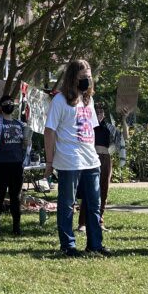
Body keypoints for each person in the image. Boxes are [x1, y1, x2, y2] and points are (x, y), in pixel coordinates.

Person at [45, 59, 108, 258]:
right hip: (69, 160)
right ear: (73, 77)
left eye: (89, 77)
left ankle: (95, 244)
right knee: (67, 204)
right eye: (82, 78)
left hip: (91, 160)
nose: (86, 81)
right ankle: (68, 245)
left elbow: (92, 129)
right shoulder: (60, 100)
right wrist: (49, 161)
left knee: (93, 205)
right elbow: (49, 131)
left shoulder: (88, 101)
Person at [0, 93, 31, 236]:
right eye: (6, 103)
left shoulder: (20, 124)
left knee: (16, 196)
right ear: (1, 107)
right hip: (1, 164)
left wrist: (26, 143)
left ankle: (16, 227)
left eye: (11, 102)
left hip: (16, 165)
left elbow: (25, 145)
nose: (9, 105)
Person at [78, 103, 115, 232]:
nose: (99, 113)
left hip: (106, 158)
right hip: (91, 157)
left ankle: (100, 221)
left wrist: (123, 118)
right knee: (88, 190)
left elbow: (121, 138)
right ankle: (82, 222)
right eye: (97, 111)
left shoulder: (109, 127)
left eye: (101, 111)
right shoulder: (88, 125)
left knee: (103, 191)